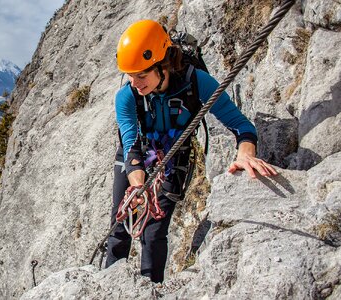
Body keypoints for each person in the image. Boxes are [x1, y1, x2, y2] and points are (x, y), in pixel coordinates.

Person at [106, 19, 278, 283]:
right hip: (137, 155)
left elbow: (242, 126)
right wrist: (138, 187)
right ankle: (106, 286)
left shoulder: (197, 82)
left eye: (142, 74)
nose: (134, 82)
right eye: (131, 74)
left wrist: (246, 153)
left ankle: (151, 288)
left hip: (175, 156)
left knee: (154, 232)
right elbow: (130, 146)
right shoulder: (127, 96)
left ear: (162, 65)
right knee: (120, 228)